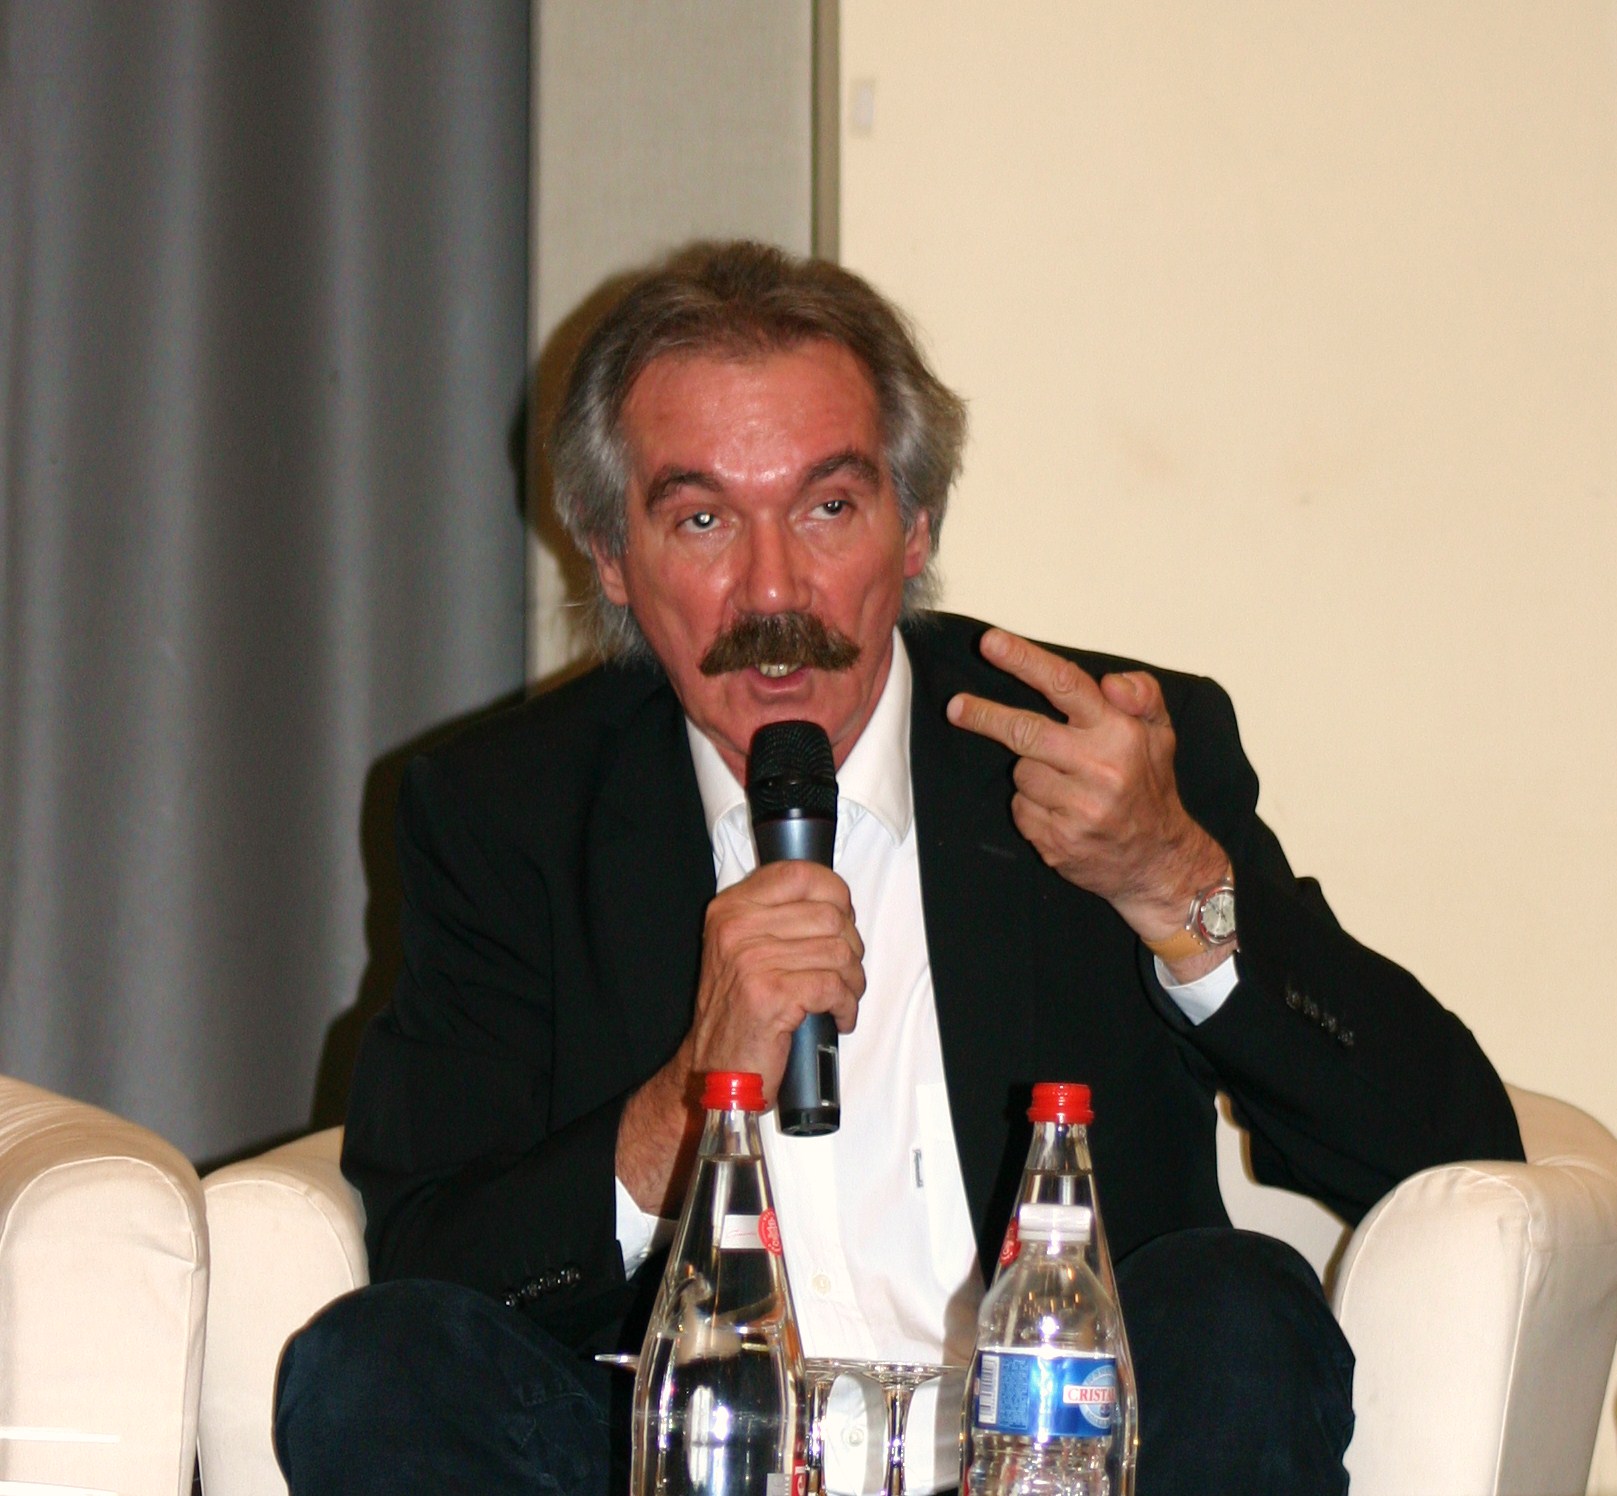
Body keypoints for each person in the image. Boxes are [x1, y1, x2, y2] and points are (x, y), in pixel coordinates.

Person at [274, 241, 1522, 1495]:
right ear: (610, 555)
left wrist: (1176, 881)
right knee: (371, 1367)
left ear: (915, 525)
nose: (773, 589)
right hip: (678, 1460)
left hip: (1057, 1456)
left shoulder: (1100, 749)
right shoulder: (508, 812)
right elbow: (435, 1262)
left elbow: (1451, 1143)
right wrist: (692, 1095)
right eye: (703, 518)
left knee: (1237, 1302)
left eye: (828, 507)